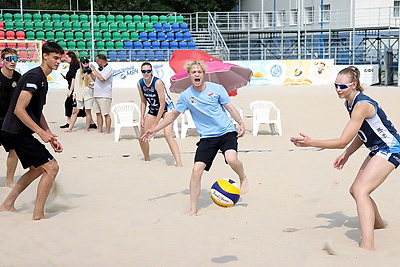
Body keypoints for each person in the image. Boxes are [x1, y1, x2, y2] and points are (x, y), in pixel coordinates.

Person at [290, 66, 400, 250]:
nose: (338, 90)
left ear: (354, 85)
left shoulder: (361, 104)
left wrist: (311, 142)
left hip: (391, 148)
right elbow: (361, 132)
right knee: (355, 190)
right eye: (335, 86)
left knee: (361, 191)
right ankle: (379, 224)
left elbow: (342, 141)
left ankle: (367, 245)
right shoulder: (349, 103)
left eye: (342, 86)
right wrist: (347, 154)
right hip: (377, 147)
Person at [142, 60, 249, 215]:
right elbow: (172, 115)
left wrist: (240, 123)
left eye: (199, 72)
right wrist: (154, 129)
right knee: (196, 170)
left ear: (204, 74)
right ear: (189, 75)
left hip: (226, 132)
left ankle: (243, 177)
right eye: (194, 72)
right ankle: (193, 209)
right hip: (207, 137)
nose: (197, 74)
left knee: (231, 159)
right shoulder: (186, 96)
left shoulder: (217, 89)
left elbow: (230, 107)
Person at [0, 42, 64, 220]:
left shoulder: (43, 78)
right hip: (15, 131)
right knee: (51, 167)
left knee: (36, 169)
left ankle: (7, 204)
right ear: (45, 56)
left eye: (60, 58)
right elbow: (19, 109)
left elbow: (37, 112)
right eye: (55, 58)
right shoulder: (34, 76)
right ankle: (38, 214)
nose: (59, 61)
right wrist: (41, 133)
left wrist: (49, 134)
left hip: (17, 131)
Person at [137, 62, 182, 166]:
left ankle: (179, 162)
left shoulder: (158, 83)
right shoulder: (140, 83)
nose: (146, 73)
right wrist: (142, 118)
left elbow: (162, 104)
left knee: (168, 134)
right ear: (141, 72)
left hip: (167, 109)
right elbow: (143, 102)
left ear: (152, 71)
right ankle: (147, 159)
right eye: (144, 71)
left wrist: (155, 125)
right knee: (142, 136)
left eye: (148, 71)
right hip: (153, 109)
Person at [0, 48, 21, 187]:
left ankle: (9, 180)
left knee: (14, 150)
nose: (12, 62)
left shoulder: (19, 78)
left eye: (14, 59)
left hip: (10, 120)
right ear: (2, 61)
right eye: (9, 59)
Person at [65, 56, 95, 132]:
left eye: (86, 62)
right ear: (81, 63)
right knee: (75, 111)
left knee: (88, 111)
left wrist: (90, 84)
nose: (85, 63)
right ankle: (70, 128)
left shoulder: (92, 71)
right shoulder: (78, 71)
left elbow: (95, 81)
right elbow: (76, 83)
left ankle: (87, 128)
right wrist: (74, 94)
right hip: (79, 94)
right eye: (83, 62)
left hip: (88, 94)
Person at [90, 54, 113, 134]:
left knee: (106, 113)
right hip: (97, 94)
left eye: (97, 61)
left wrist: (94, 70)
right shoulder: (99, 69)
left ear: (101, 60)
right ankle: (99, 130)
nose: (97, 63)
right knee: (98, 113)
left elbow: (102, 79)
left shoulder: (109, 69)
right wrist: (90, 73)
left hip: (105, 95)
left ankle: (107, 131)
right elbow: (96, 79)